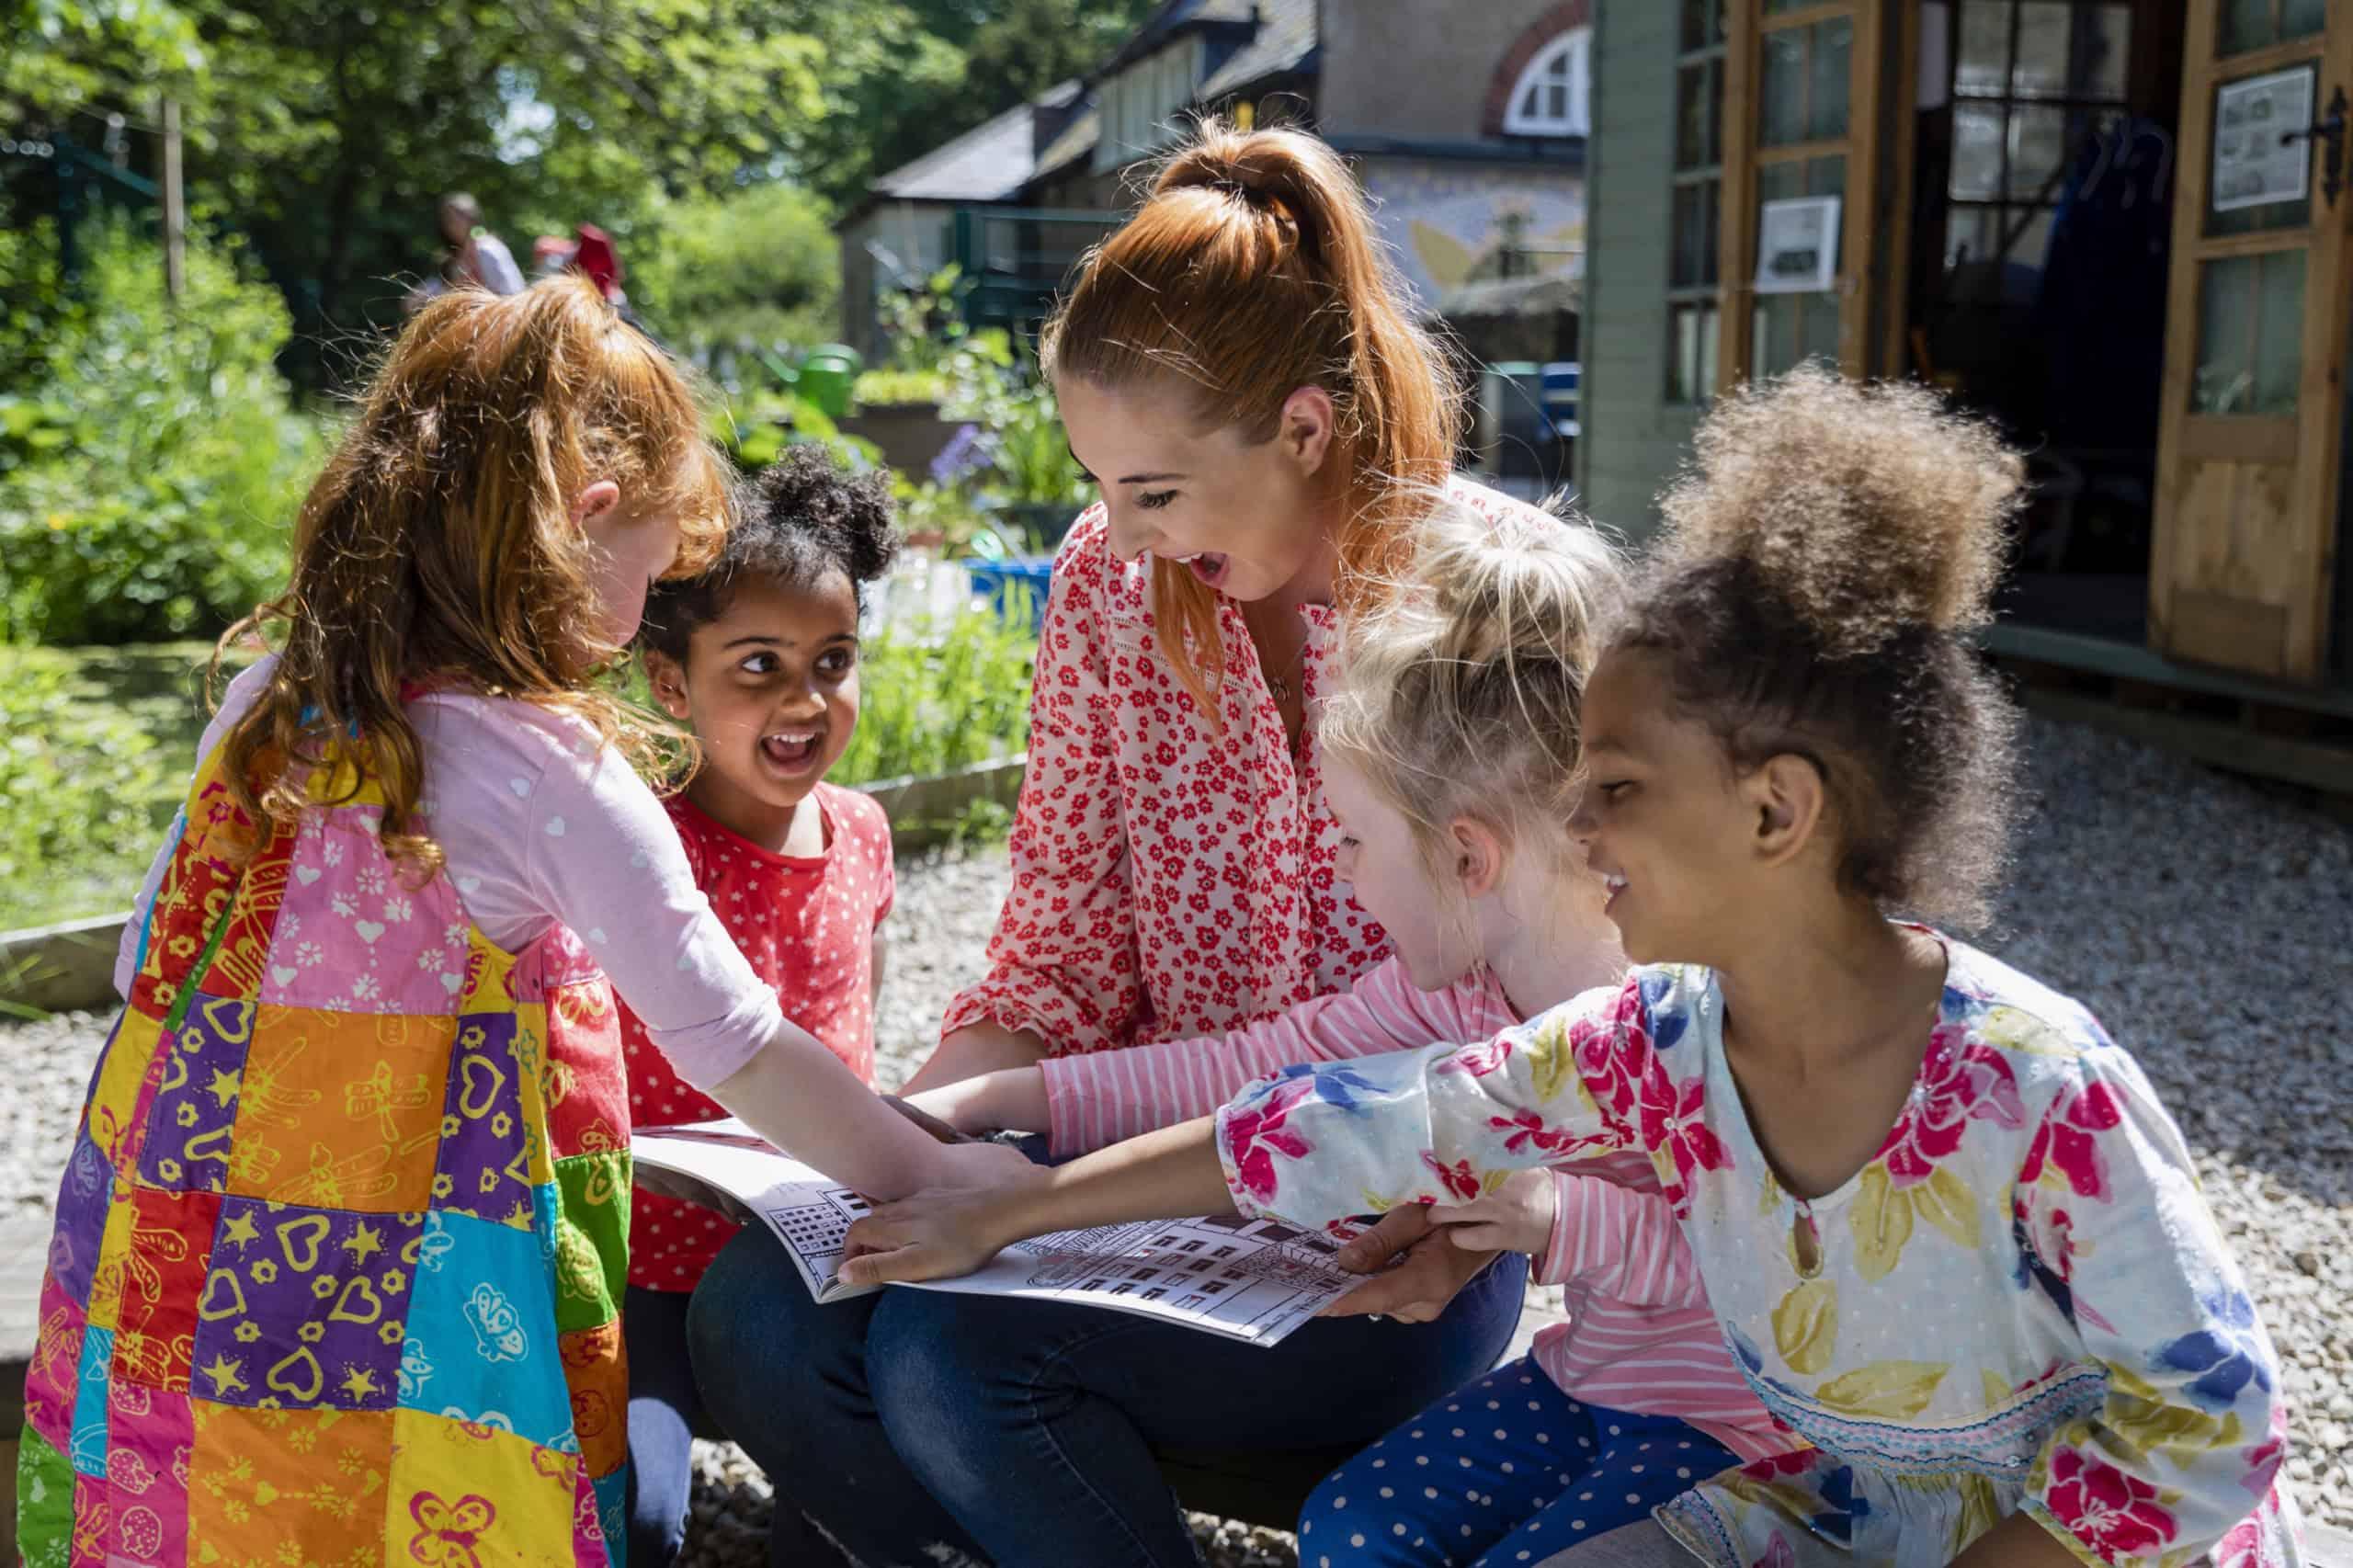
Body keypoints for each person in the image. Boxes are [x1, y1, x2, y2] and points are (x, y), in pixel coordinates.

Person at [840, 369, 2308, 1568]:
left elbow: (2212, 1428)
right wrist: (1022, 1202)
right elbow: (1329, 1124)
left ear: (1777, 812)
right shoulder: (1649, 1040)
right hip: (1830, 1508)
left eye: (1615, 788)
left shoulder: (2030, 1082)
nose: (1578, 825)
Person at [14, 277, 1020, 1565]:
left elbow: (141, 954)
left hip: (184, 1236)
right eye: (654, 569)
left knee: (223, 1506)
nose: (637, 615)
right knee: (432, 1504)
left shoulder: (272, 695)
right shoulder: (548, 768)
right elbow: (740, 1042)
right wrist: (939, 1176)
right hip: (424, 1274)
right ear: (590, 522)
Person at [687, 119, 1546, 1566]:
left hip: (1393, 1224)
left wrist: (1025, 1185)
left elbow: (1527, 1027)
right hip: (1124, 1155)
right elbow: (1062, 945)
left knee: (953, 1360)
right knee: (760, 1307)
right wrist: (897, 1140)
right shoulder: (1108, 585)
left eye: (1153, 491)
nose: (1121, 536)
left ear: (1304, 427)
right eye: (1097, 486)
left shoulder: (1485, 606)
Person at [904, 495, 1802, 1565]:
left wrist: (1553, 1216)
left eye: (1351, 836)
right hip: (1587, 1379)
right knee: (1350, 1527)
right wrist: (1000, 1097)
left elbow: (1771, 1274)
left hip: (1748, 1435)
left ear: (1467, 859)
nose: (1334, 867)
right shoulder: (1457, 993)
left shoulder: (1685, 1007)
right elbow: (1250, 1073)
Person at [618, 446, 904, 1565]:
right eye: (759, 664)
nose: (805, 697)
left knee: (843, 1523)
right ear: (670, 682)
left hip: (807, 1263)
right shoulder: (632, 841)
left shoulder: (864, 831)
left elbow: (860, 1046)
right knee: (637, 1519)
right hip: (637, 1265)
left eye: (833, 660)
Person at [437, 191, 526, 295]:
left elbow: (513, 292)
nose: (449, 224)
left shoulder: (488, 250)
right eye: (446, 219)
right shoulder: (457, 256)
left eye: (453, 218)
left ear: (470, 217)